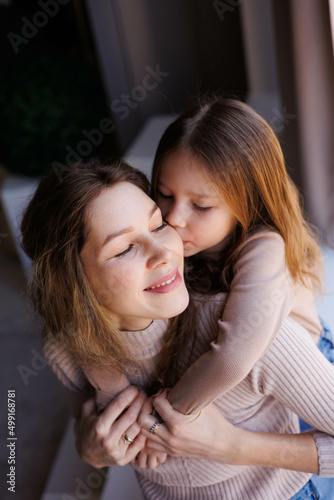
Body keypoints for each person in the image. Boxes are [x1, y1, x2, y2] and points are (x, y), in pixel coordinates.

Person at [21, 160, 334, 499]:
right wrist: (90, 449)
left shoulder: (252, 337)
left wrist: (230, 446)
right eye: (125, 248)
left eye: (158, 226)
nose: (165, 253)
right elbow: (88, 422)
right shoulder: (64, 347)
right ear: (68, 284)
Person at [149, 96, 331, 415]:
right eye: (164, 195)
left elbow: (233, 357)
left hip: (308, 371)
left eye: (201, 206)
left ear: (248, 202)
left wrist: (163, 415)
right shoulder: (177, 233)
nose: (173, 217)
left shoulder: (265, 248)